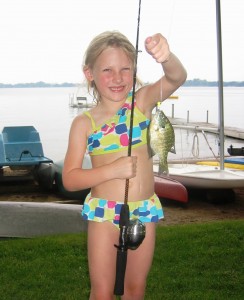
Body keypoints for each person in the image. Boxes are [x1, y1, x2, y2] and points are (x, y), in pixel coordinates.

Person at [62, 31, 187, 300]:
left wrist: (166, 58)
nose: (117, 78)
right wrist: (111, 170)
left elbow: (177, 78)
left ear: (134, 70)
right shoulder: (84, 123)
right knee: (103, 292)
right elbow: (70, 178)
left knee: (135, 289)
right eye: (107, 69)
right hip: (103, 215)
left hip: (143, 211)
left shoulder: (141, 104)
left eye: (125, 69)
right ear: (90, 74)